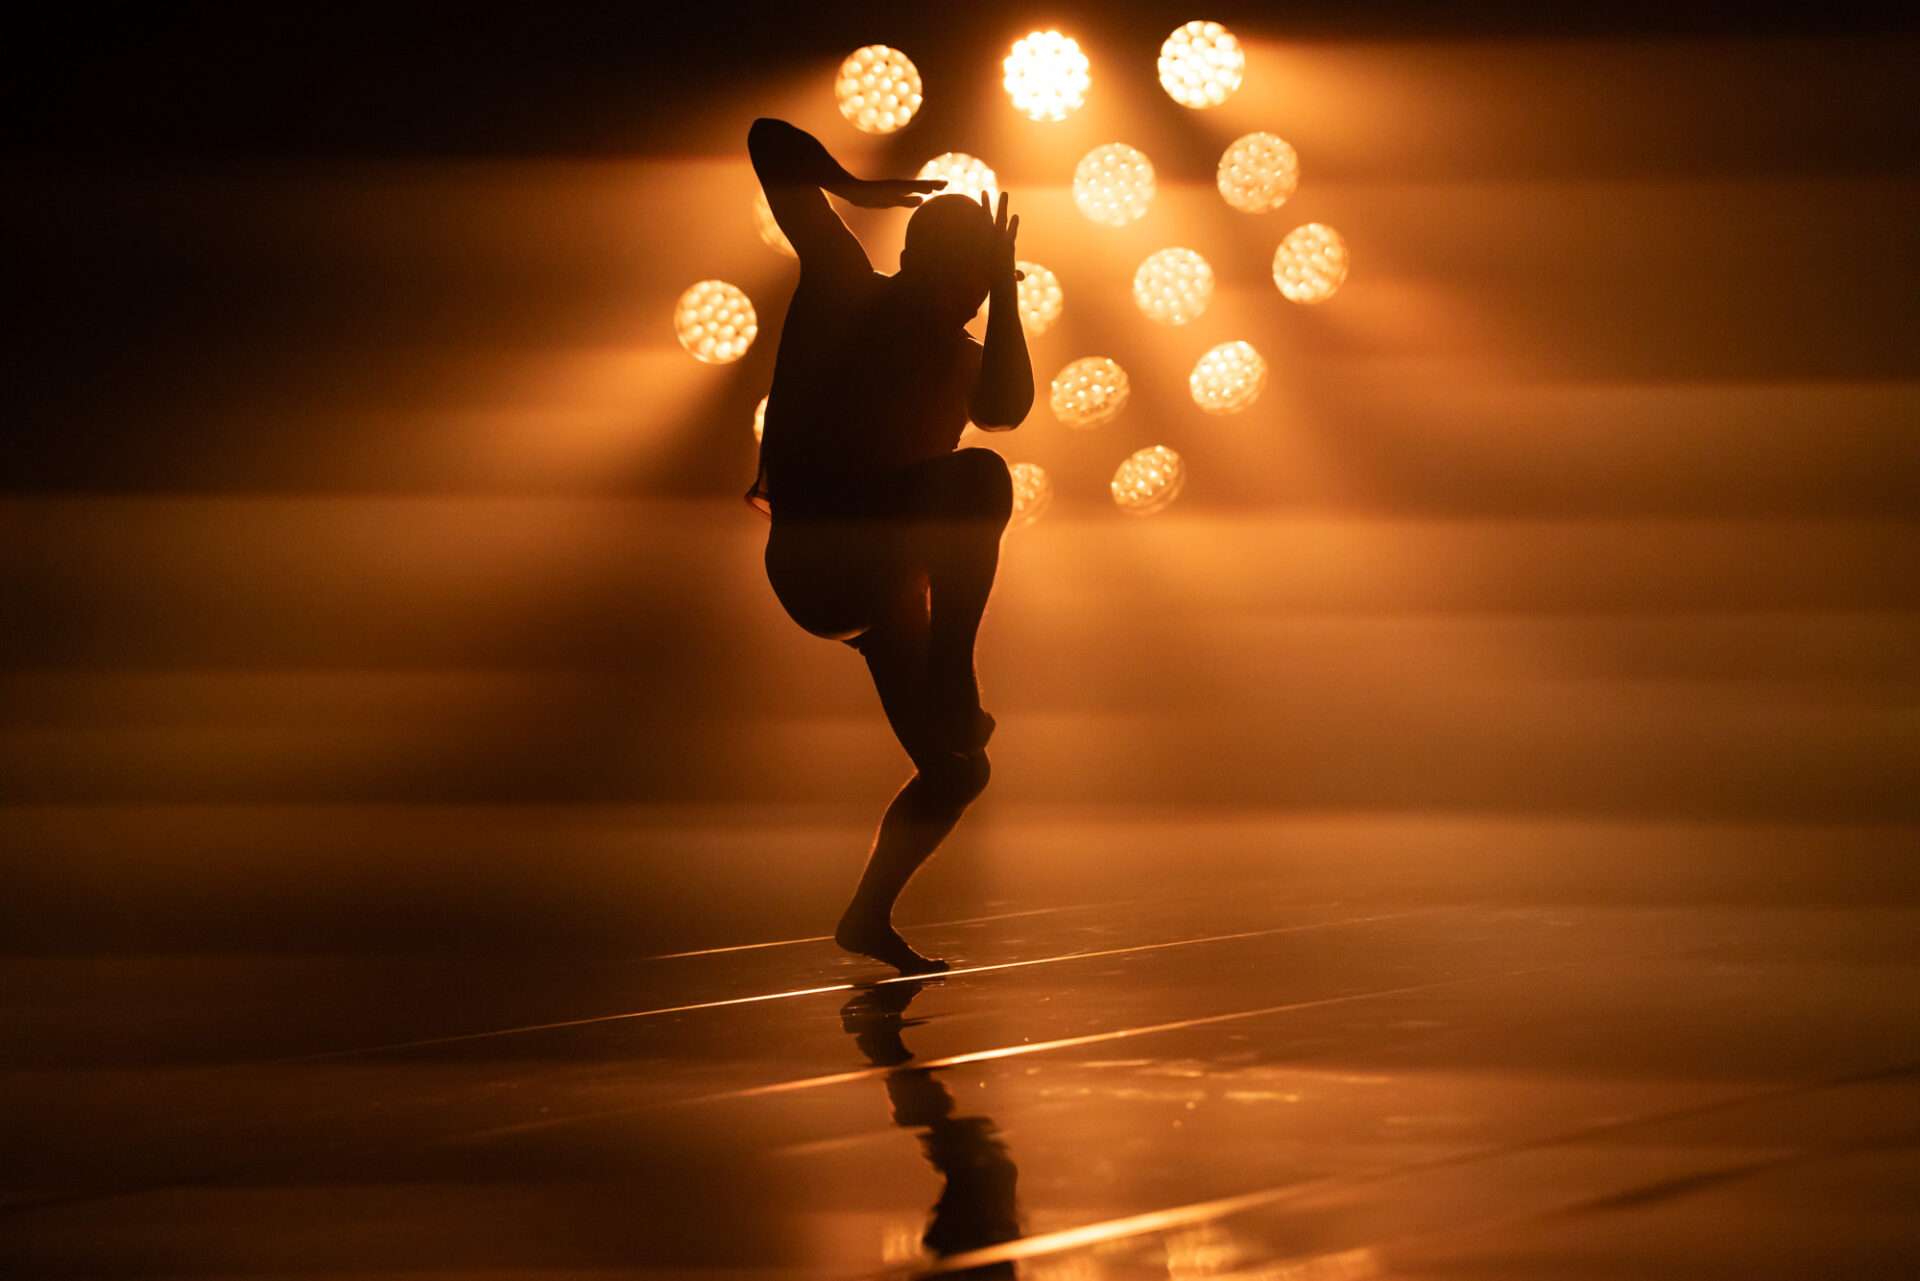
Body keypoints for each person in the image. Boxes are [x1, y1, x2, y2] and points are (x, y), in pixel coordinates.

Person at [745, 117, 1034, 975]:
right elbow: (769, 140)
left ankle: (866, 916)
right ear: (921, 264)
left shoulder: (965, 353)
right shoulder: (846, 286)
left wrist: (1011, 295)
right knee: (978, 479)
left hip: (883, 585)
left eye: (984, 288)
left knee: (958, 768)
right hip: (820, 555)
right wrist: (860, 191)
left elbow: (1007, 408)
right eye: (969, 279)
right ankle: (952, 669)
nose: (973, 301)